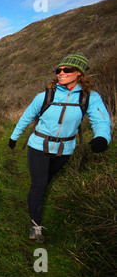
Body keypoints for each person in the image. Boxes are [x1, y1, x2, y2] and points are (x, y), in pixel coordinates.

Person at [8, 53, 112, 243]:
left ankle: (35, 203)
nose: (61, 73)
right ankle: (36, 227)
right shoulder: (45, 96)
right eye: (59, 70)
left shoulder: (90, 98)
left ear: (79, 73)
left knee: (44, 181)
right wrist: (14, 137)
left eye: (67, 70)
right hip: (38, 146)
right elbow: (26, 117)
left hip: (65, 150)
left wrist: (102, 138)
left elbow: (102, 121)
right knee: (39, 185)